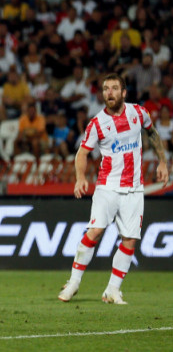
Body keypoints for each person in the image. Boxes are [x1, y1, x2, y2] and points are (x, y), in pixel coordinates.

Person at [58, 73, 169, 305]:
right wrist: (80, 177)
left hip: (134, 189)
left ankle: (112, 290)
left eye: (114, 88)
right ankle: (74, 282)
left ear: (124, 92)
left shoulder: (138, 113)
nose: (110, 93)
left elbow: (152, 132)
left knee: (130, 240)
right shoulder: (97, 123)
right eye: (106, 89)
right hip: (107, 187)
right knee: (95, 231)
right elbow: (82, 153)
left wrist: (162, 161)